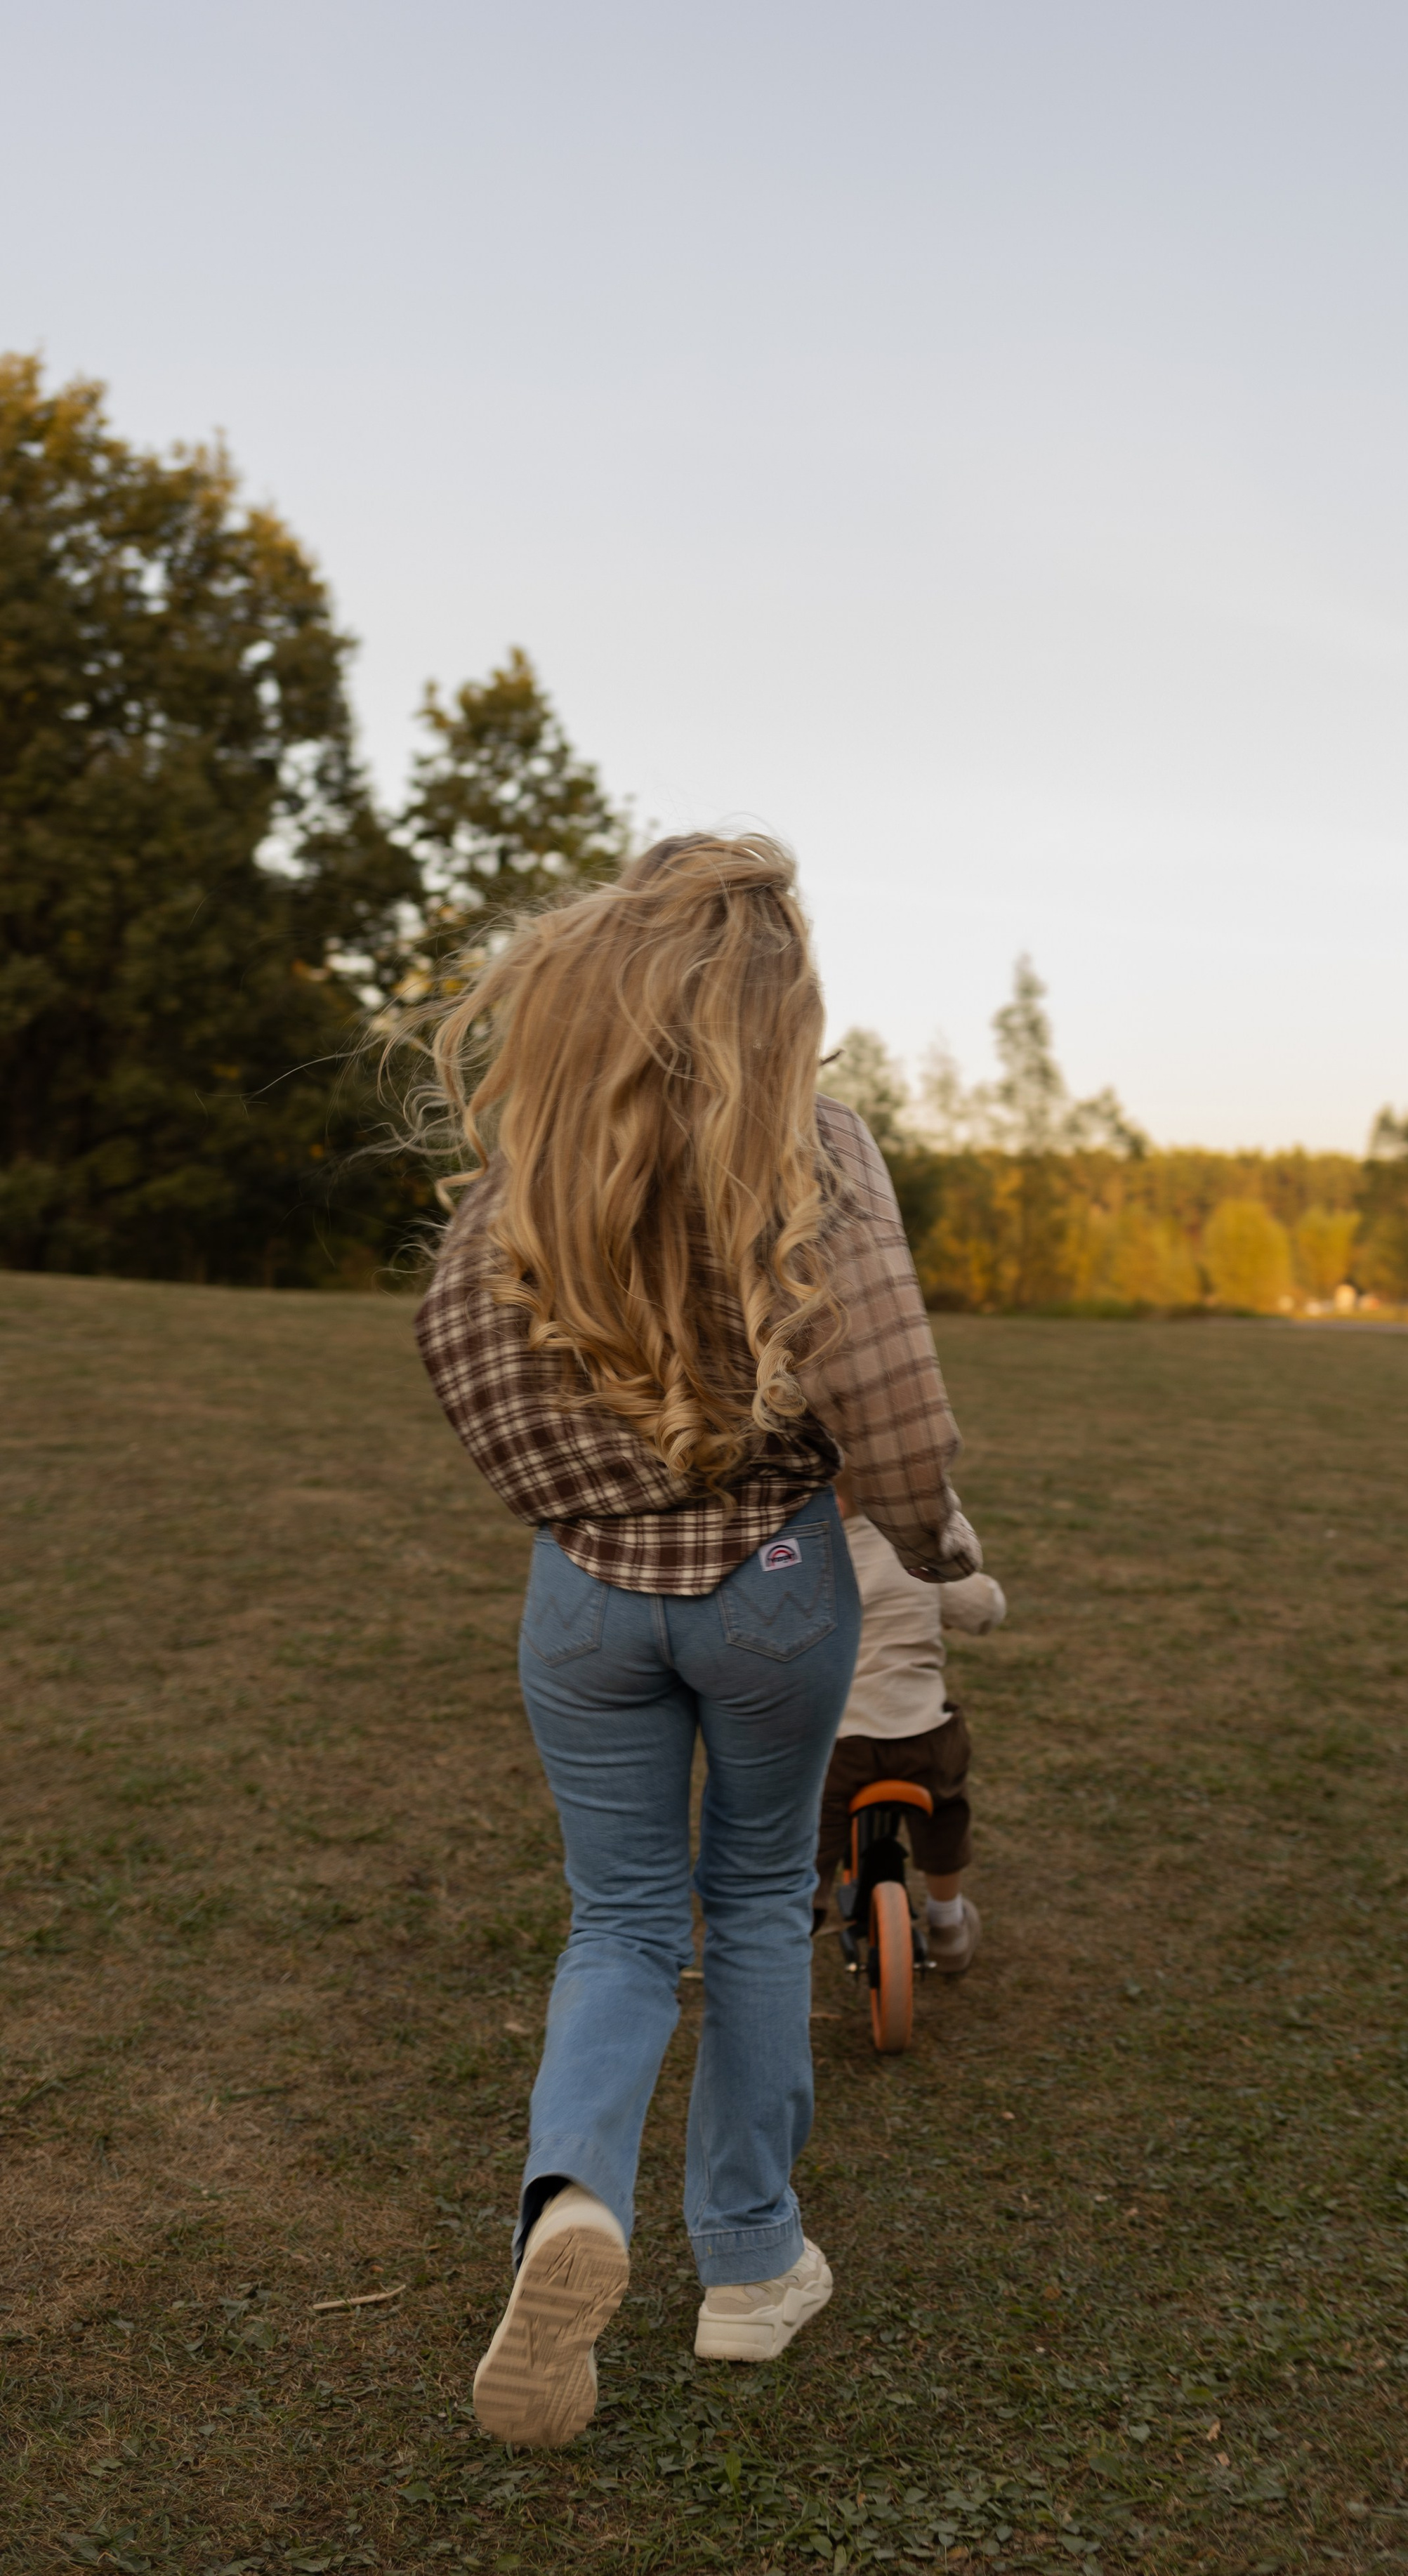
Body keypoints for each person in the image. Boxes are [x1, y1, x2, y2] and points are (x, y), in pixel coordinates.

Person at [404, 834, 981, 2449]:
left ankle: (570, 2204)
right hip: (774, 1574)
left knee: (615, 1918)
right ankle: (746, 2259)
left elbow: (452, 1344)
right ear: (777, 1002)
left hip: (581, 1590)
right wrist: (932, 1547)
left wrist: (573, 1500)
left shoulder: (533, 1168)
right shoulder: (822, 1152)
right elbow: (897, 1412)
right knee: (747, 1900)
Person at [817, 1495, 1006, 1973]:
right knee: (945, 1808)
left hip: (841, 1743)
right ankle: (947, 1923)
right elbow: (982, 1609)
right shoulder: (914, 1553)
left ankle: (806, 1914)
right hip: (921, 1737)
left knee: (815, 1825)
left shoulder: (812, 1555)